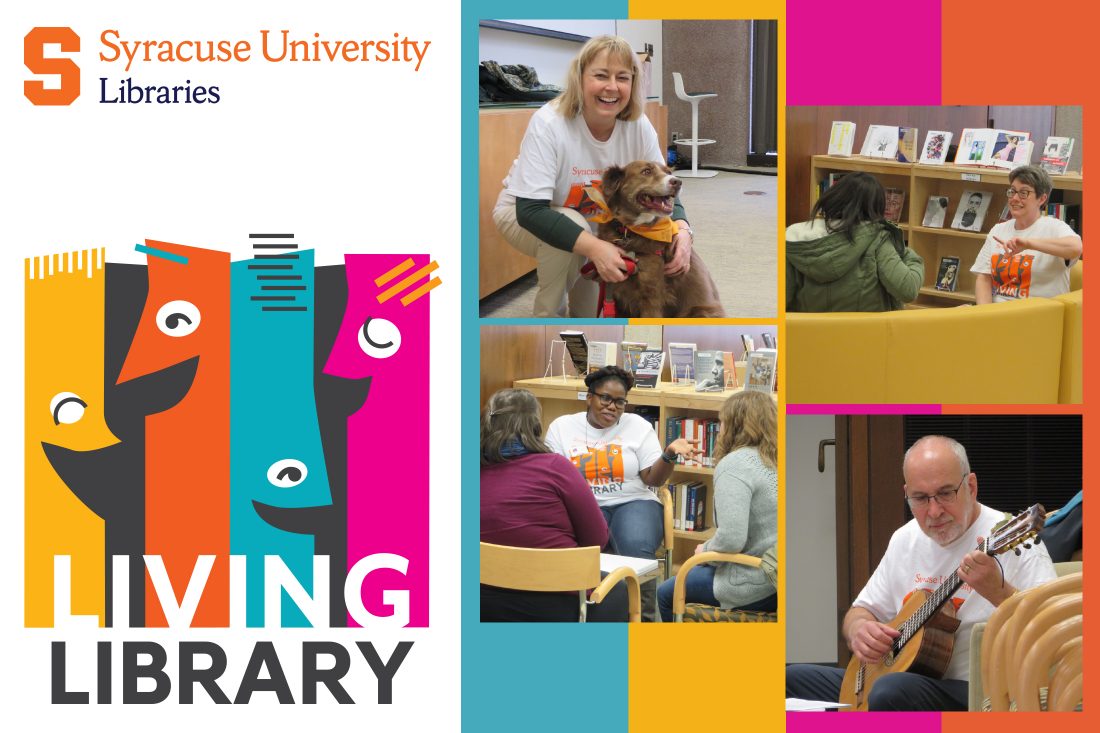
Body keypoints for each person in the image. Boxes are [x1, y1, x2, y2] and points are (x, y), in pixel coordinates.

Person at [786, 435, 1056, 711]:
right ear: (906, 494)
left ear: (971, 486)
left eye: (945, 493)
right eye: (920, 498)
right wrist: (858, 630)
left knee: (890, 691)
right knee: (789, 678)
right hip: (895, 680)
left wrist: (1000, 594)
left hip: (976, 692)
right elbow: (860, 611)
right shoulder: (905, 539)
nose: (934, 511)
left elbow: (1056, 631)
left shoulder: (1015, 541)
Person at [492, 35, 695, 317]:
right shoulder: (549, 122)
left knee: (589, 315)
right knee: (573, 226)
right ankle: (547, 319)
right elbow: (529, 211)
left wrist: (684, 231)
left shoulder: (638, 124)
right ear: (580, 78)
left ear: (633, 84)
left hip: (592, 224)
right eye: (601, 75)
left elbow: (665, 189)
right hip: (521, 213)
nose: (612, 87)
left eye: (622, 77)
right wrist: (597, 249)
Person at [545, 366, 700, 618]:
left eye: (620, 401)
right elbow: (551, 477)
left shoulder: (637, 426)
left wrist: (668, 455)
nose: (612, 406)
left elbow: (654, 479)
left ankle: (643, 619)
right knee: (586, 550)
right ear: (589, 397)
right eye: (605, 398)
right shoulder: (562, 427)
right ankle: (595, 616)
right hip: (584, 503)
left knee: (635, 546)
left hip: (635, 501)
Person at [480, 388, 627, 622]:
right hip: (557, 603)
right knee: (618, 587)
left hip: (482, 604)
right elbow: (597, 539)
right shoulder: (555, 467)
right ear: (535, 426)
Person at [656, 391, 778, 622]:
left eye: (721, 422)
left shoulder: (735, 465)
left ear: (734, 425)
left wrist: (707, 551)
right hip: (781, 577)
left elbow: (732, 539)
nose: (719, 429)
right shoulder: (775, 458)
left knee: (666, 593)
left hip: (757, 579)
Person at [786, 171, 924, 312]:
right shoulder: (878, 238)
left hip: (809, 332)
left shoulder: (796, 240)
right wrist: (907, 254)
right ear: (876, 207)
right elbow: (908, 290)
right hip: (865, 332)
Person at [970, 165, 1082, 303]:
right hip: (998, 314)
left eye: (1024, 193)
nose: (1015, 198)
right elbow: (984, 278)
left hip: (1037, 315)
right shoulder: (998, 230)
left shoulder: (1054, 227)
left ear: (1041, 199)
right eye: (1012, 191)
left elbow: (1075, 248)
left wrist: (1028, 243)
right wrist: (984, 315)